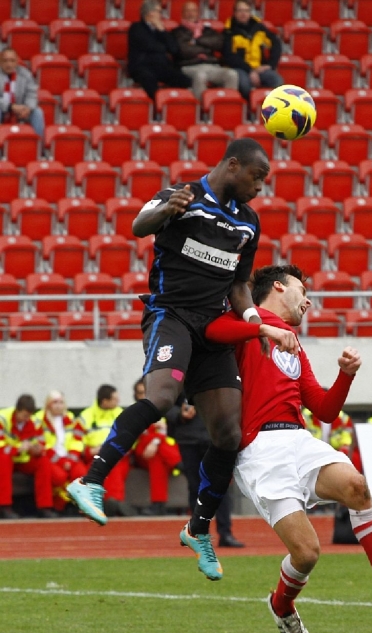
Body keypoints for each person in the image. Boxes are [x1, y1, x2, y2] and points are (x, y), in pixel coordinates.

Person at [67, 138, 297, 583]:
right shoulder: (183, 195)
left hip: (214, 328)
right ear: (233, 165)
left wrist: (254, 322)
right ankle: (90, 480)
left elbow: (239, 285)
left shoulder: (248, 222)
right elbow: (139, 225)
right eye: (256, 178)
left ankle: (198, 529)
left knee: (229, 433)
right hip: (170, 316)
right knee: (162, 398)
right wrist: (166, 211)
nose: (259, 188)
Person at [206, 265, 372, 633]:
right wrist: (261, 329)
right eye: (303, 291)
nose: (308, 301)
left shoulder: (294, 343)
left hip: (298, 439)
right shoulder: (247, 322)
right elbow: (212, 331)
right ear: (278, 287)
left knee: (357, 487)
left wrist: (345, 376)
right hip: (259, 451)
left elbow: (324, 409)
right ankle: (281, 605)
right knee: (307, 553)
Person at [167, 394, 244, 548]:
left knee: (220, 486)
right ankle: (199, 534)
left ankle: (225, 533)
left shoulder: (219, 380)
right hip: (189, 439)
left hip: (215, 438)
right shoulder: (179, 381)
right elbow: (165, 402)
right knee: (195, 488)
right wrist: (179, 413)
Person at [73, 385, 135, 518]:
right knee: (96, 469)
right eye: (115, 399)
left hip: (118, 455)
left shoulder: (122, 414)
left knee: (113, 466)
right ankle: (111, 505)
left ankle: (113, 503)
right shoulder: (86, 416)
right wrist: (89, 450)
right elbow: (75, 440)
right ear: (105, 401)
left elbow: (131, 438)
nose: (118, 402)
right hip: (92, 456)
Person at [0, 394, 59, 519]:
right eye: (24, 415)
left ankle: (44, 507)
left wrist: (37, 449)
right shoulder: (3, 419)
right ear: (17, 410)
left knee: (43, 461)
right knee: (3, 458)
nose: (26, 419)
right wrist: (18, 448)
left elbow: (41, 442)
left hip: (24, 458)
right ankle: (4, 507)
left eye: (29, 416)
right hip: (7, 457)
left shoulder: (34, 421)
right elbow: (1, 445)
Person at [132, 378, 182, 515]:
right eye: (140, 393)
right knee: (154, 441)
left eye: (146, 392)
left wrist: (154, 441)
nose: (144, 395)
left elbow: (162, 432)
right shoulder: (133, 412)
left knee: (157, 458)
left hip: (155, 452)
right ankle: (179, 463)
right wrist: (154, 438)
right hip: (140, 452)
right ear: (136, 395)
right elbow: (138, 435)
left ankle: (158, 504)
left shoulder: (158, 410)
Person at [173, 1, 238, 100]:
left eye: (193, 11)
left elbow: (219, 43)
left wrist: (197, 40)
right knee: (200, 76)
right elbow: (184, 50)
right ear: (182, 14)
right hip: (189, 66)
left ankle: (227, 106)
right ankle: (202, 107)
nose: (191, 14)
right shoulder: (178, 32)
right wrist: (206, 47)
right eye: (188, 11)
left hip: (211, 65)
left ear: (198, 13)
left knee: (232, 74)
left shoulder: (207, 30)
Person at [127, 0, 191, 101]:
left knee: (185, 80)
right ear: (150, 13)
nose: (161, 15)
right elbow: (150, 46)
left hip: (161, 66)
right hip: (142, 66)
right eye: (159, 12)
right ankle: (158, 107)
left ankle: (172, 103)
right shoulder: (136, 28)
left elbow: (174, 49)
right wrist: (163, 46)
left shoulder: (160, 30)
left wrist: (162, 30)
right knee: (150, 81)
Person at [34, 390, 86, 513]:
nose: (58, 406)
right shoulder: (39, 419)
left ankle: (76, 506)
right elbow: (42, 445)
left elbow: (77, 441)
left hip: (69, 458)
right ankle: (59, 506)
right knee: (59, 476)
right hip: (51, 458)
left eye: (61, 402)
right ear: (48, 404)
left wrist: (70, 460)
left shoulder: (71, 418)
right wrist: (61, 462)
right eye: (55, 402)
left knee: (81, 473)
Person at [222, 0, 283, 101]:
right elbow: (229, 57)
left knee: (277, 81)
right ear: (235, 13)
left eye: (246, 11)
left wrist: (271, 65)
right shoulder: (229, 31)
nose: (243, 14)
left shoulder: (259, 28)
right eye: (240, 10)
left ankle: (269, 106)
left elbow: (276, 43)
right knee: (245, 85)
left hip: (259, 67)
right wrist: (250, 70)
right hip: (239, 68)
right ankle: (250, 108)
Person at [0, 48, 45, 138]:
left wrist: (28, 108)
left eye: (12, 61)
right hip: (2, 109)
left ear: (17, 61)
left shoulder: (25, 74)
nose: (9, 64)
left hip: (21, 110)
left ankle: (38, 144)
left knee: (37, 112)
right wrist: (10, 106)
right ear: (0, 62)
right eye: (5, 61)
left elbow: (32, 94)